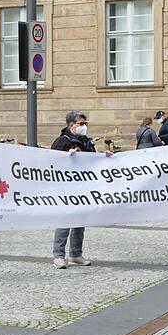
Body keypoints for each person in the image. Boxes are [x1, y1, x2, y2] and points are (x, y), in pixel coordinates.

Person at [51, 111, 113, 269]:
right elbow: (52, 162)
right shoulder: (61, 141)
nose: (84, 127)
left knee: (80, 222)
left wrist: (104, 157)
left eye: (86, 124)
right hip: (66, 188)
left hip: (82, 188)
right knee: (64, 221)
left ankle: (75, 254)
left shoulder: (86, 142)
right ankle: (58, 255)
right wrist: (66, 156)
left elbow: (93, 160)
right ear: (72, 125)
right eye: (81, 124)